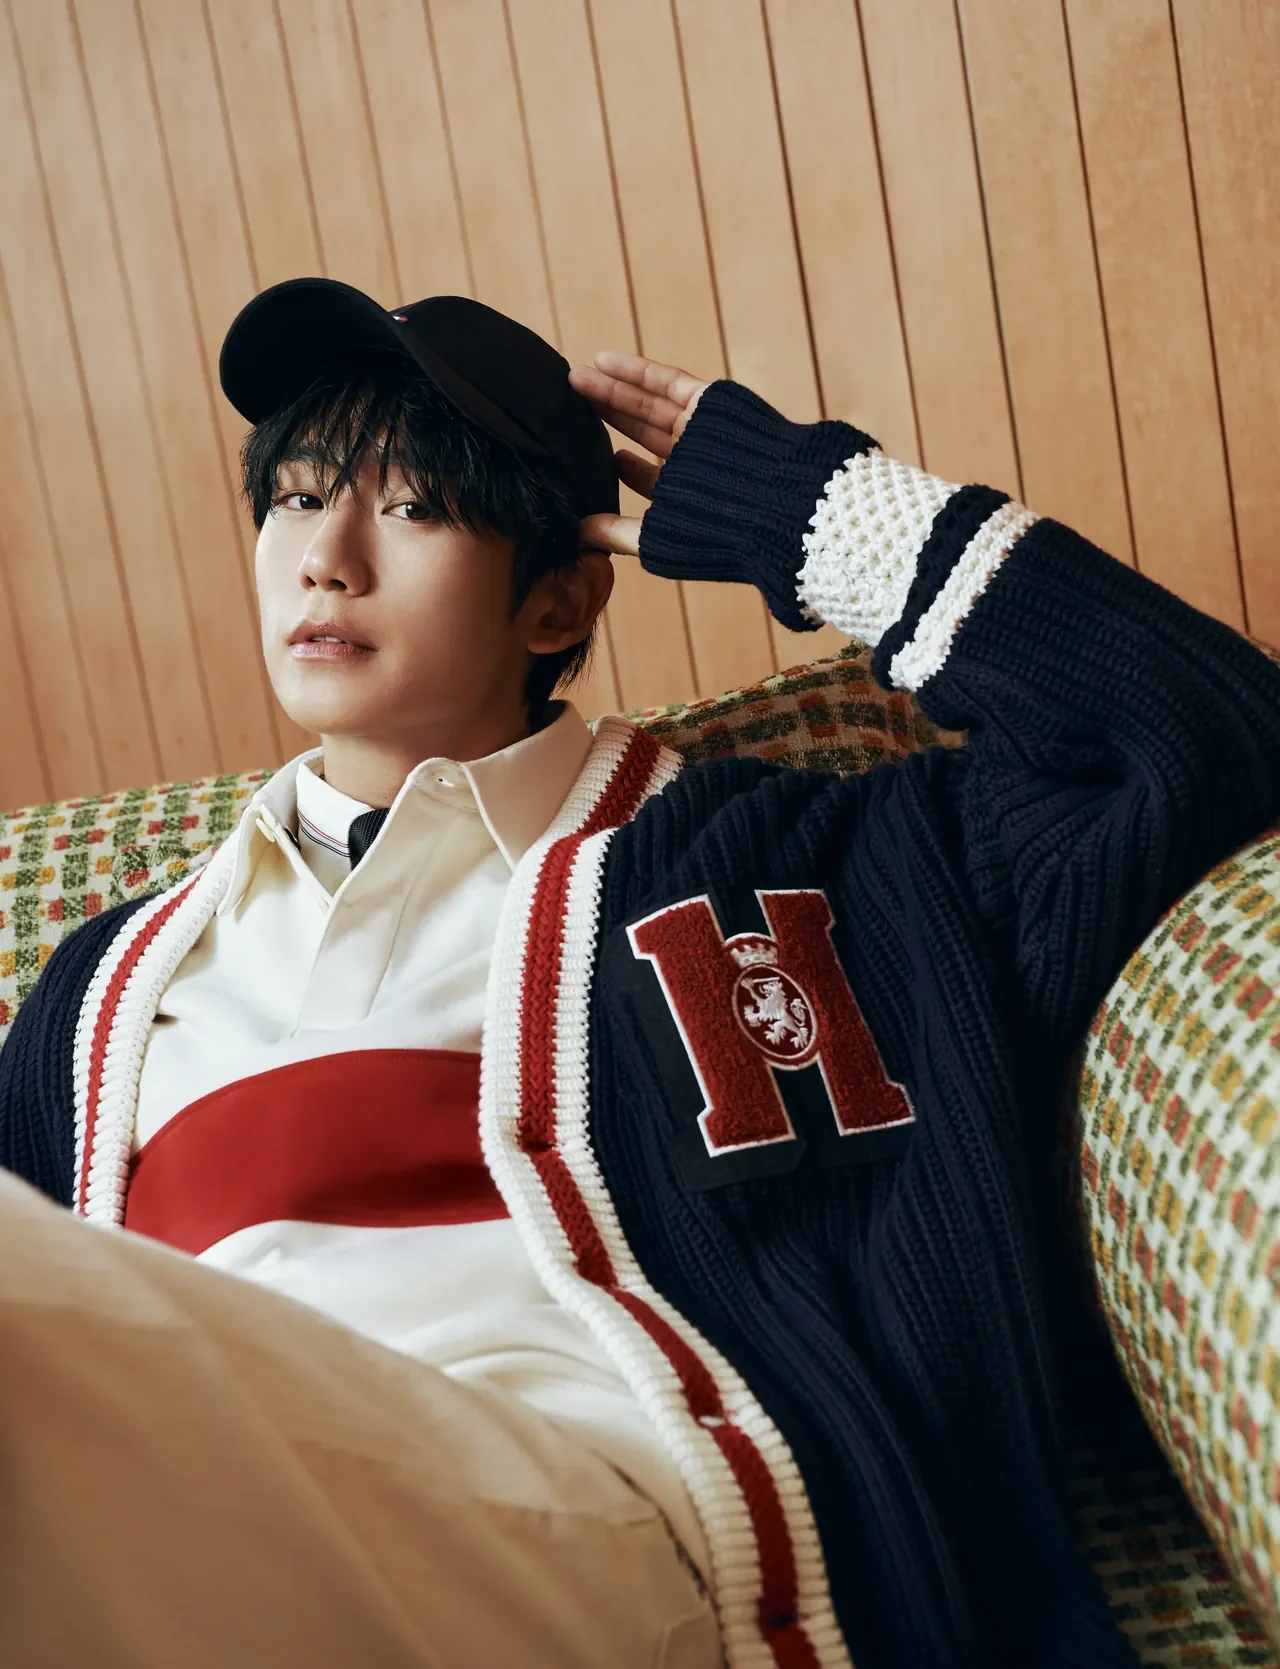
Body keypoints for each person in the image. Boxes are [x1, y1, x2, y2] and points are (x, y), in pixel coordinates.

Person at [1, 276, 1278, 1669]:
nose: (329, 559)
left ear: (558, 603)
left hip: (603, 1522)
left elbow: (1206, 729)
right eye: (299, 498)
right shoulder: (105, 988)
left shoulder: (801, 870)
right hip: (181, 1535)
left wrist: (808, 514)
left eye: (416, 508)